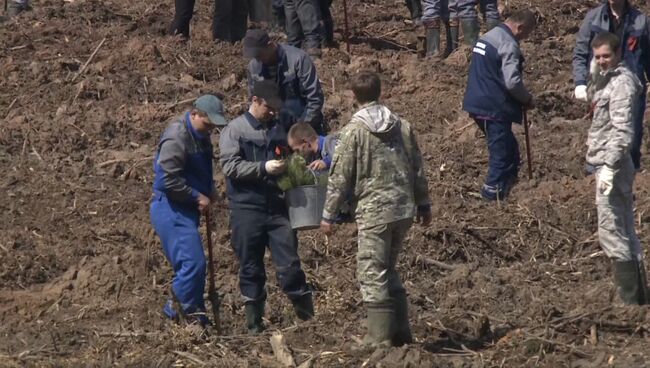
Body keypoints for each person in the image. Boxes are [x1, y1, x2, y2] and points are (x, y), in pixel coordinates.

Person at [320, 72, 432, 348]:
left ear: (354, 96)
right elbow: (417, 166)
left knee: (371, 270)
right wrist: (424, 203)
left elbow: (340, 176)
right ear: (380, 92)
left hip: (373, 211)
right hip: (402, 208)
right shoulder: (402, 126)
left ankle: (378, 338)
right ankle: (401, 331)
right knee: (389, 268)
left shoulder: (354, 131)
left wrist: (328, 214)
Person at [219, 80, 314, 334]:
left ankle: (309, 322)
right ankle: (254, 324)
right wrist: (263, 167)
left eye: (275, 108)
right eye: (268, 108)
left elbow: (294, 153)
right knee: (250, 266)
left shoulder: (279, 128)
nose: (273, 112)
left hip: (277, 206)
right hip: (246, 208)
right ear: (255, 101)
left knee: (290, 263)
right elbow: (229, 167)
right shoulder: (234, 131)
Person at [150, 95, 228, 326]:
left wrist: (210, 189)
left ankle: (194, 315)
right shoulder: (177, 137)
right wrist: (196, 195)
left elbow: (199, 170)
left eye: (214, 126)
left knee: (194, 265)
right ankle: (175, 313)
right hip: (170, 208)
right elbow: (166, 179)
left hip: (186, 209)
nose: (210, 129)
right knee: (193, 264)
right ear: (194, 114)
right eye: (208, 124)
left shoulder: (201, 136)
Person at [586, 32, 647, 305]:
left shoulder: (622, 84)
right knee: (623, 228)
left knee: (612, 230)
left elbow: (622, 132)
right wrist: (593, 76)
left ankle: (629, 301)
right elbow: (596, 103)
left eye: (606, 56)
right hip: (609, 162)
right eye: (597, 57)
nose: (602, 62)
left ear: (618, 53)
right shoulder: (608, 80)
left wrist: (610, 167)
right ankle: (640, 298)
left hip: (615, 164)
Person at [462, 9, 536, 201]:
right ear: (520, 27)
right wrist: (526, 99)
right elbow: (512, 82)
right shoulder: (508, 44)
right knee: (501, 151)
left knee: (509, 147)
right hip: (494, 107)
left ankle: (510, 186)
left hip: (476, 101)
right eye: (526, 34)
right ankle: (491, 193)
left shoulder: (488, 37)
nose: (524, 38)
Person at [573, 0, 650, 171]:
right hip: (601, 84)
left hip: (630, 87)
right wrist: (579, 82)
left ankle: (630, 176)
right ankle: (596, 174)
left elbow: (648, 55)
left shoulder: (640, 21)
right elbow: (580, 52)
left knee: (630, 134)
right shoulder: (594, 18)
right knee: (601, 130)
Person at [243, 29, 327, 135]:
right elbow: (254, 101)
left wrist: (299, 130)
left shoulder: (298, 59)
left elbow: (314, 99)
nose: (258, 59)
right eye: (255, 56)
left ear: (269, 46)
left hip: (304, 126)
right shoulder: (253, 67)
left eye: (259, 54)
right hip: (272, 128)